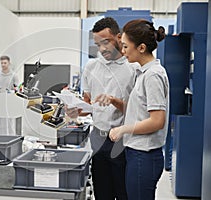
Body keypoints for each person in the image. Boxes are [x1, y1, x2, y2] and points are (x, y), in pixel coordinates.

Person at [66, 17, 136, 200]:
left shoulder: (132, 68)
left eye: (106, 42)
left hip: (123, 140)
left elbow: (137, 111)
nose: (102, 48)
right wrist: (75, 110)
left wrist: (114, 101)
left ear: (119, 38)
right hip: (98, 138)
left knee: (124, 193)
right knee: (102, 194)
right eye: (98, 44)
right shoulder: (91, 67)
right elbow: (88, 104)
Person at [109, 19, 169, 200]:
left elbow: (157, 121)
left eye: (126, 47)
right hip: (138, 154)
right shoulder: (143, 73)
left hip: (145, 156)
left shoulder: (153, 75)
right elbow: (141, 110)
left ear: (141, 48)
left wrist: (123, 129)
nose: (123, 51)